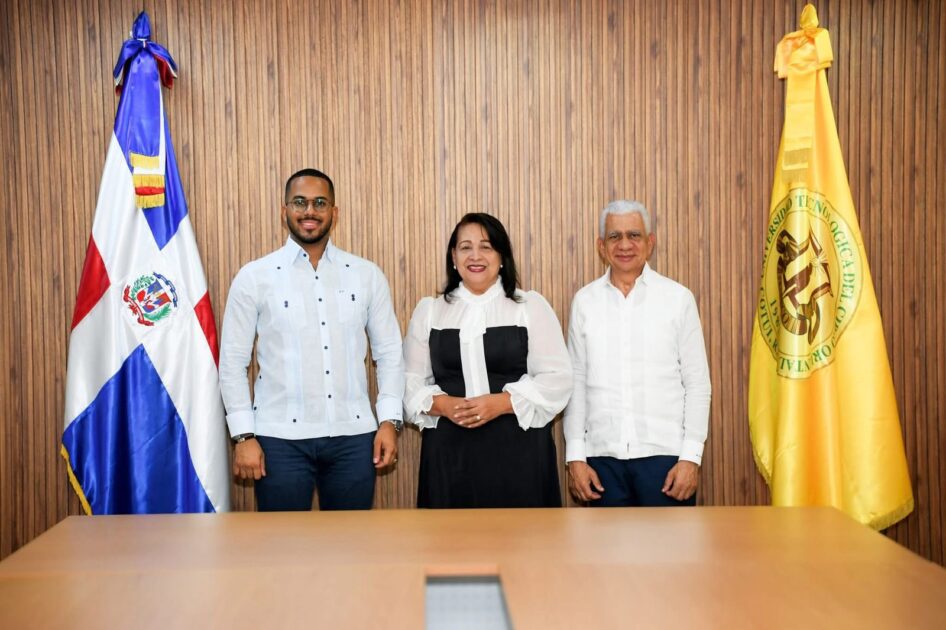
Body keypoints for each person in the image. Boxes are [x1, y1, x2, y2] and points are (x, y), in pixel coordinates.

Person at [219, 168, 404, 511]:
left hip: (354, 437)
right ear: (284, 210)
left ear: (334, 212)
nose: (309, 211)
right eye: (299, 202)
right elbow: (232, 363)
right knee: (283, 553)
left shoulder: (366, 275)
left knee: (351, 551)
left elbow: (390, 354)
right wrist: (244, 436)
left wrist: (390, 422)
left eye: (320, 203)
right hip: (279, 441)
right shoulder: (254, 277)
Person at [403, 213, 572, 508]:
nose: (475, 256)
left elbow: (557, 379)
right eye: (465, 247)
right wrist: (445, 406)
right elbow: (408, 381)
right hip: (449, 456)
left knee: (523, 547)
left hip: (519, 453)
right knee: (451, 547)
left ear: (502, 256)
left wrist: (500, 403)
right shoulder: (430, 311)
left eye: (486, 246)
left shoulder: (529, 306)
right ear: (453, 257)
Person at [564, 200, 711, 507]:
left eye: (634, 235)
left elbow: (697, 384)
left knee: (670, 556)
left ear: (650, 242)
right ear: (601, 246)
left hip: (667, 462)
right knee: (604, 556)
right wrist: (575, 458)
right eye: (615, 237)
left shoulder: (678, 299)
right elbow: (575, 383)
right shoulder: (585, 302)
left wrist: (690, 458)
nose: (625, 244)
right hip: (601, 462)